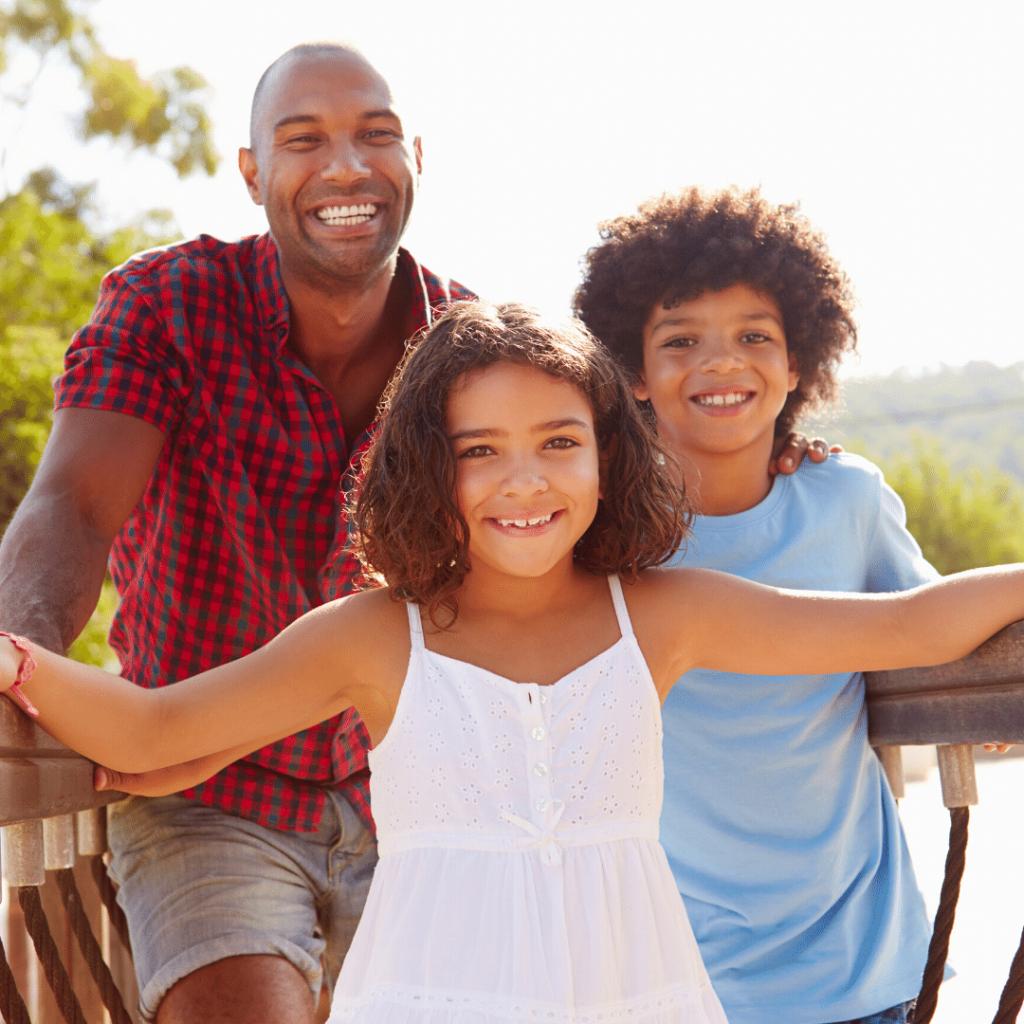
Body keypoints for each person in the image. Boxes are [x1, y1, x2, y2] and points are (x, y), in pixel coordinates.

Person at [4, 300, 1024, 1024]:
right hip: (427, 1000)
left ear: (609, 455)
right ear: (428, 467)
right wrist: (16, 663)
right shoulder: (372, 634)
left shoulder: (663, 615)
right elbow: (153, 730)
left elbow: (911, 626)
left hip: (637, 998)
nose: (523, 480)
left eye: (558, 442)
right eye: (479, 449)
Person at [0, 41, 474, 1024]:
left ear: (417, 158)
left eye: (376, 135)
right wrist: (18, 661)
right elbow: (72, 508)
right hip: (203, 792)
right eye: (303, 140)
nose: (345, 165)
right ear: (253, 172)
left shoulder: (471, 346)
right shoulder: (167, 306)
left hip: (416, 797)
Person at [573, 185, 937, 1024]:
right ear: (632, 372)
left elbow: (939, 636)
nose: (722, 362)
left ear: (798, 360)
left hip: (858, 957)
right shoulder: (598, 536)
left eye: (754, 337)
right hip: (678, 970)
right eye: (681, 340)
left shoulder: (847, 499)